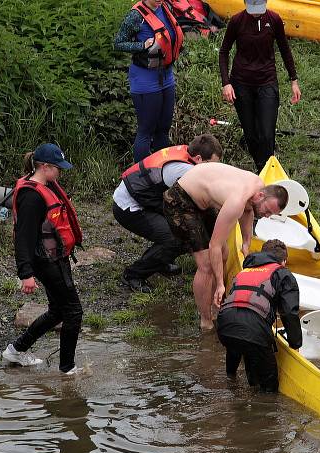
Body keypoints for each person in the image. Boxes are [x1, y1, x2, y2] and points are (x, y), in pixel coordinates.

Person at [162, 161, 288, 329]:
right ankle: (205, 320)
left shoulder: (258, 185)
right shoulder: (236, 202)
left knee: (225, 253)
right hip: (180, 201)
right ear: (260, 196)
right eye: (267, 210)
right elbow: (214, 245)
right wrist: (221, 283)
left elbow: (249, 210)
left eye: (271, 214)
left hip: (203, 200)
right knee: (206, 263)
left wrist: (246, 242)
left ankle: (216, 305)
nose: (266, 216)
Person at [2, 144, 85, 375]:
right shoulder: (32, 197)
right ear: (44, 166)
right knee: (73, 311)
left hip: (54, 257)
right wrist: (25, 274)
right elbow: (24, 237)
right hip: (45, 261)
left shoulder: (44, 184)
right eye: (58, 167)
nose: (60, 172)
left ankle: (16, 350)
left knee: (59, 310)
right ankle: (68, 369)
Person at [113, 134, 223, 293]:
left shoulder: (188, 154)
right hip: (129, 207)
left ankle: (161, 261)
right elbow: (195, 207)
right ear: (199, 158)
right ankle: (133, 275)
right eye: (211, 165)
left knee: (182, 230)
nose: (214, 170)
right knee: (176, 238)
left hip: (146, 197)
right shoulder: (183, 171)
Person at [218, 0, 301, 172]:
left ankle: (268, 170)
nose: (256, 13)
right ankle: (260, 169)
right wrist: (226, 83)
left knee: (266, 133)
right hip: (241, 83)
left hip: (267, 80)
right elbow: (224, 51)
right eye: (253, 9)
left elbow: (284, 49)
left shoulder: (274, 19)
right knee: (251, 134)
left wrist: (294, 80)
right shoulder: (236, 21)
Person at [217, 239, 302, 392]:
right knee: (269, 387)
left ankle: (231, 382)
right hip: (253, 329)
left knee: (237, 345)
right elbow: (289, 312)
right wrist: (295, 345)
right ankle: (262, 408)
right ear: (283, 261)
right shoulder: (283, 273)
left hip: (224, 324)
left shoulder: (245, 271)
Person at [114, 0, 184, 162]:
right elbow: (118, 43)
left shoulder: (165, 7)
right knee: (146, 130)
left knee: (164, 128)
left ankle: (163, 170)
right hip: (145, 79)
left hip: (166, 76)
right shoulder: (135, 16)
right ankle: (141, 176)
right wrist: (141, 45)